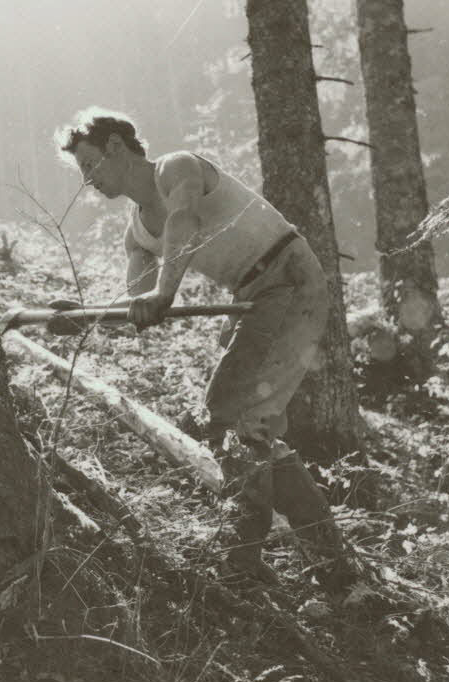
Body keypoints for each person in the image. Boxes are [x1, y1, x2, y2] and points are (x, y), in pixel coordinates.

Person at [59, 108, 349, 584]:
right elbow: (137, 302)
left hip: (289, 276)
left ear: (115, 146)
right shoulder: (137, 233)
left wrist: (164, 293)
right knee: (246, 422)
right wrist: (82, 314)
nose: (88, 179)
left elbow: (185, 220)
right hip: (253, 297)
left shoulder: (176, 168)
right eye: (82, 171)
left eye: (90, 164)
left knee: (229, 413)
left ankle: (244, 558)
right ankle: (329, 560)